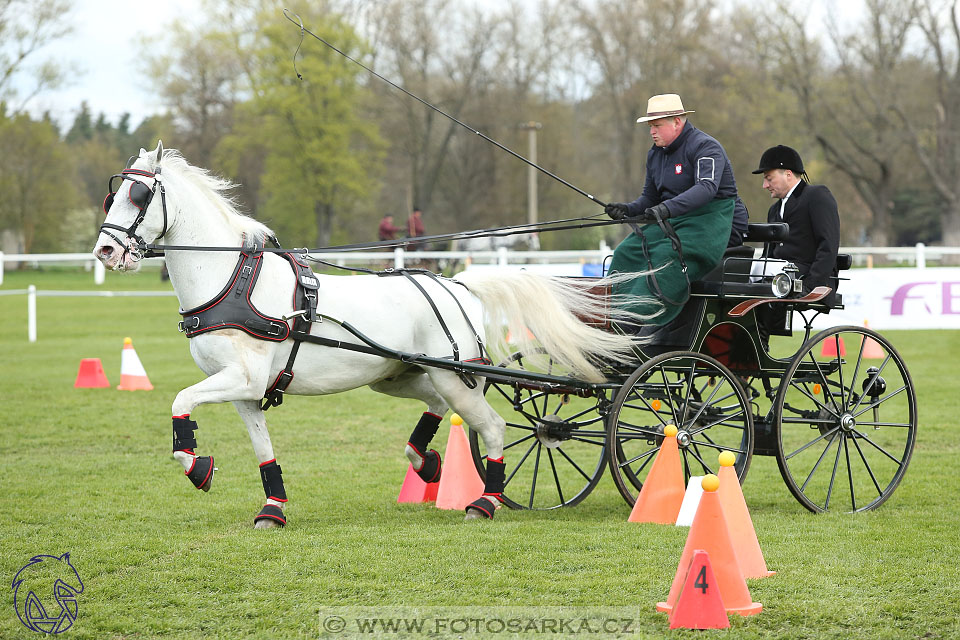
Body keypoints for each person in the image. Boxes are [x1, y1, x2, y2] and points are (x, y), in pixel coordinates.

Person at [604, 93, 750, 325]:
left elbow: (706, 188)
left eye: (657, 126)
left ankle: (639, 316)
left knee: (666, 255)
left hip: (712, 222)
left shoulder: (705, 147)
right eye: (650, 126)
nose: (652, 132)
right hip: (675, 220)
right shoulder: (655, 154)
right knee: (626, 251)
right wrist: (627, 210)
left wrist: (666, 208)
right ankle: (611, 314)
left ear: (677, 122)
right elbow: (649, 198)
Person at [752, 144, 840, 297]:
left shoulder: (816, 196)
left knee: (758, 269)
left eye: (769, 179)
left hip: (806, 277)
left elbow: (828, 245)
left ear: (788, 174)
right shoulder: (774, 210)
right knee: (745, 268)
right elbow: (769, 253)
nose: (765, 185)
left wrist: (810, 285)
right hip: (778, 278)